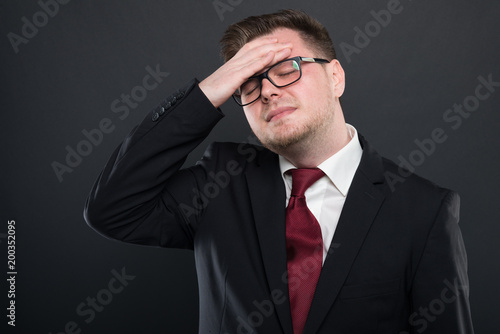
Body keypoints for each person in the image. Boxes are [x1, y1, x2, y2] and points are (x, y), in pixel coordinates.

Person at [84, 9, 474, 334]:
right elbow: (112, 208)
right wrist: (212, 89)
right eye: (248, 83)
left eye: (287, 69)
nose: (267, 90)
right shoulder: (220, 182)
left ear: (335, 77)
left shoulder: (423, 209)